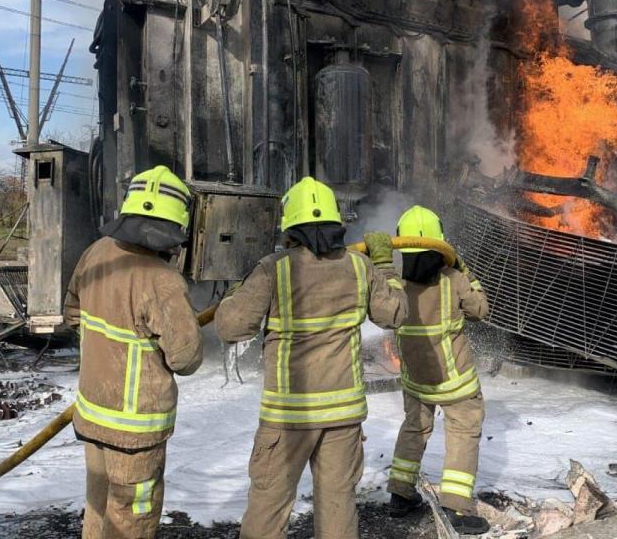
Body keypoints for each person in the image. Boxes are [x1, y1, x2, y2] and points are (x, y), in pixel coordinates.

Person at [214, 176, 408, 539]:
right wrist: (385, 267)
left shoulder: (274, 269)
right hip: (342, 417)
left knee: (269, 507)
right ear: (337, 223)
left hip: (288, 417)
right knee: (338, 506)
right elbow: (392, 315)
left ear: (290, 226)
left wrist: (240, 289)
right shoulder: (360, 267)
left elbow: (231, 327)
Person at [64, 165, 204, 539]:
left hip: (93, 414)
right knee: (131, 519)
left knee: (98, 507)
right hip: (135, 432)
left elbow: (73, 312)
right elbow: (185, 358)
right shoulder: (162, 280)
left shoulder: (96, 253)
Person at [386, 205, 490, 535]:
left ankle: (400, 495)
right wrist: (466, 270)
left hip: (416, 380)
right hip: (455, 382)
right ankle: (456, 506)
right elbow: (481, 310)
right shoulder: (454, 280)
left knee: (414, 429)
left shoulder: (398, 287)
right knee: (463, 431)